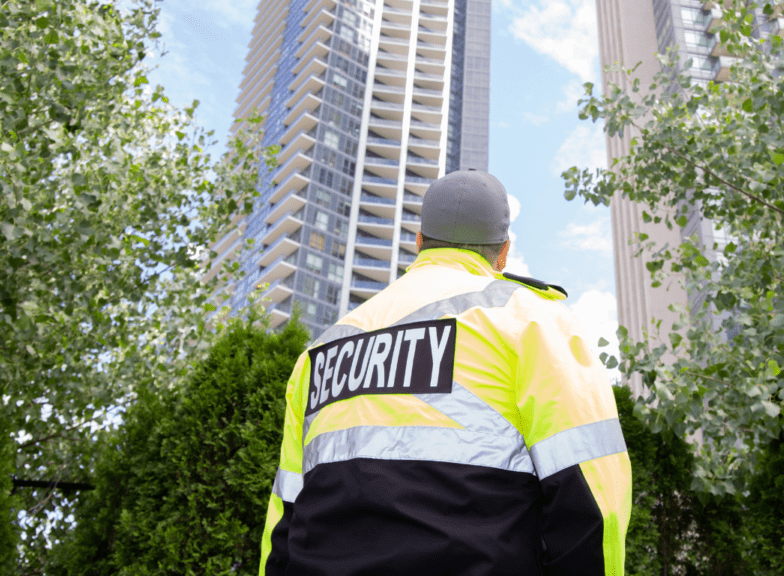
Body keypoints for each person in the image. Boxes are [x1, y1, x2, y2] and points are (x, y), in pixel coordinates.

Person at [258, 169, 632, 576]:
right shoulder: (534, 323)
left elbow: (284, 517)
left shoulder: (319, 354)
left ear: (419, 244)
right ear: (503, 253)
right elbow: (594, 496)